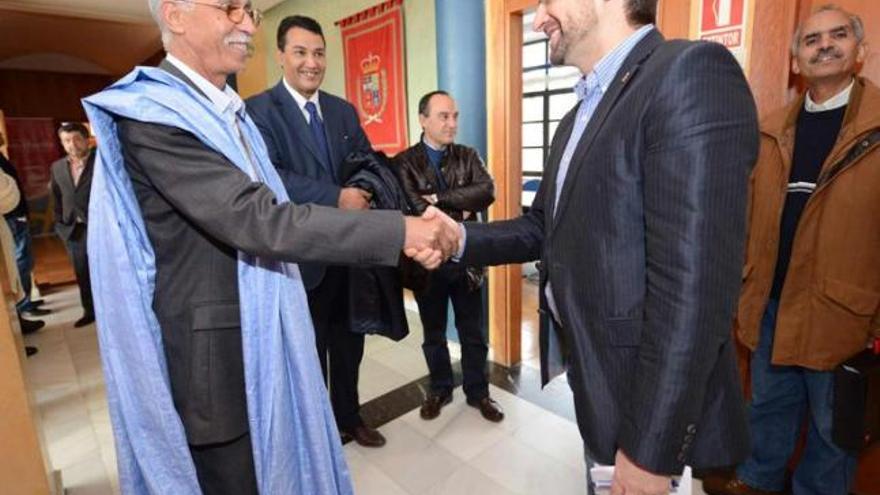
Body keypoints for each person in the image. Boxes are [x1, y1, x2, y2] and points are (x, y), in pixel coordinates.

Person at [81, 0, 456, 493]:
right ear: (175, 14)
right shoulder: (156, 118)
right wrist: (401, 230)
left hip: (271, 326)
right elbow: (260, 218)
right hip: (221, 364)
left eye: (250, 9)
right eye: (230, 8)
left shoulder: (225, 111)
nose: (246, 23)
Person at [448, 0, 759, 493]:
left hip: (652, 410)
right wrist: (458, 236)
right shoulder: (575, 119)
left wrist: (649, 454)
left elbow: (695, 292)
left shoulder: (687, 73)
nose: (539, 17)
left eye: (549, 1)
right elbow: (541, 227)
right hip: (597, 380)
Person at [706, 5, 879, 495]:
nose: (825, 45)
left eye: (838, 35)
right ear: (796, 62)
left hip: (843, 316)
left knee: (832, 438)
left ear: (859, 51)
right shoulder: (770, 130)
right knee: (765, 414)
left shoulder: (876, 129)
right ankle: (757, 484)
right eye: (811, 39)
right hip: (770, 309)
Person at [246, 15, 385, 447]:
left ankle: (350, 417)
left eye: (319, 53)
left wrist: (363, 186)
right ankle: (314, 433)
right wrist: (337, 196)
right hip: (299, 260)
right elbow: (270, 175)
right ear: (281, 56)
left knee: (349, 347)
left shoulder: (342, 110)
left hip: (348, 257)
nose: (312, 62)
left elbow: (366, 160)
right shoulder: (258, 111)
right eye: (301, 52)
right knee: (306, 355)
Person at [395, 90, 502, 422]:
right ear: (423, 119)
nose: (452, 123)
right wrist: (461, 209)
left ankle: (478, 392)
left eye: (455, 116)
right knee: (434, 333)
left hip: (466, 261)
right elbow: (414, 208)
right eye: (443, 116)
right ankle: (440, 388)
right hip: (427, 263)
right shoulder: (403, 163)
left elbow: (486, 191)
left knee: (474, 332)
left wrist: (439, 197)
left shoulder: (468, 155)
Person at [49, 122, 94, 328]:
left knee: (109, 270)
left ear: (86, 140)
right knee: (82, 272)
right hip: (74, 230)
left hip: (100, 227)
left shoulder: (102, 161)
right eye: (67, 141)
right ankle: (89, 311)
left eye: (76, 139)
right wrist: (60, 224)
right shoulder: (57, 167)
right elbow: (57, 198)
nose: (72, 144)